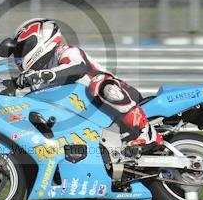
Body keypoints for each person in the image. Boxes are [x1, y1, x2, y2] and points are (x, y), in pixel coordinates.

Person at [12, 18, 160, 148]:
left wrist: (44, 75)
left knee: (98, 84)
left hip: (120, 98)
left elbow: (78, 67)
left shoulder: (64, 50)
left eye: (24, 47)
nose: (20, 55)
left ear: (40, 40)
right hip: (91, 121)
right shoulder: (35, 80)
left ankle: (145, 132)